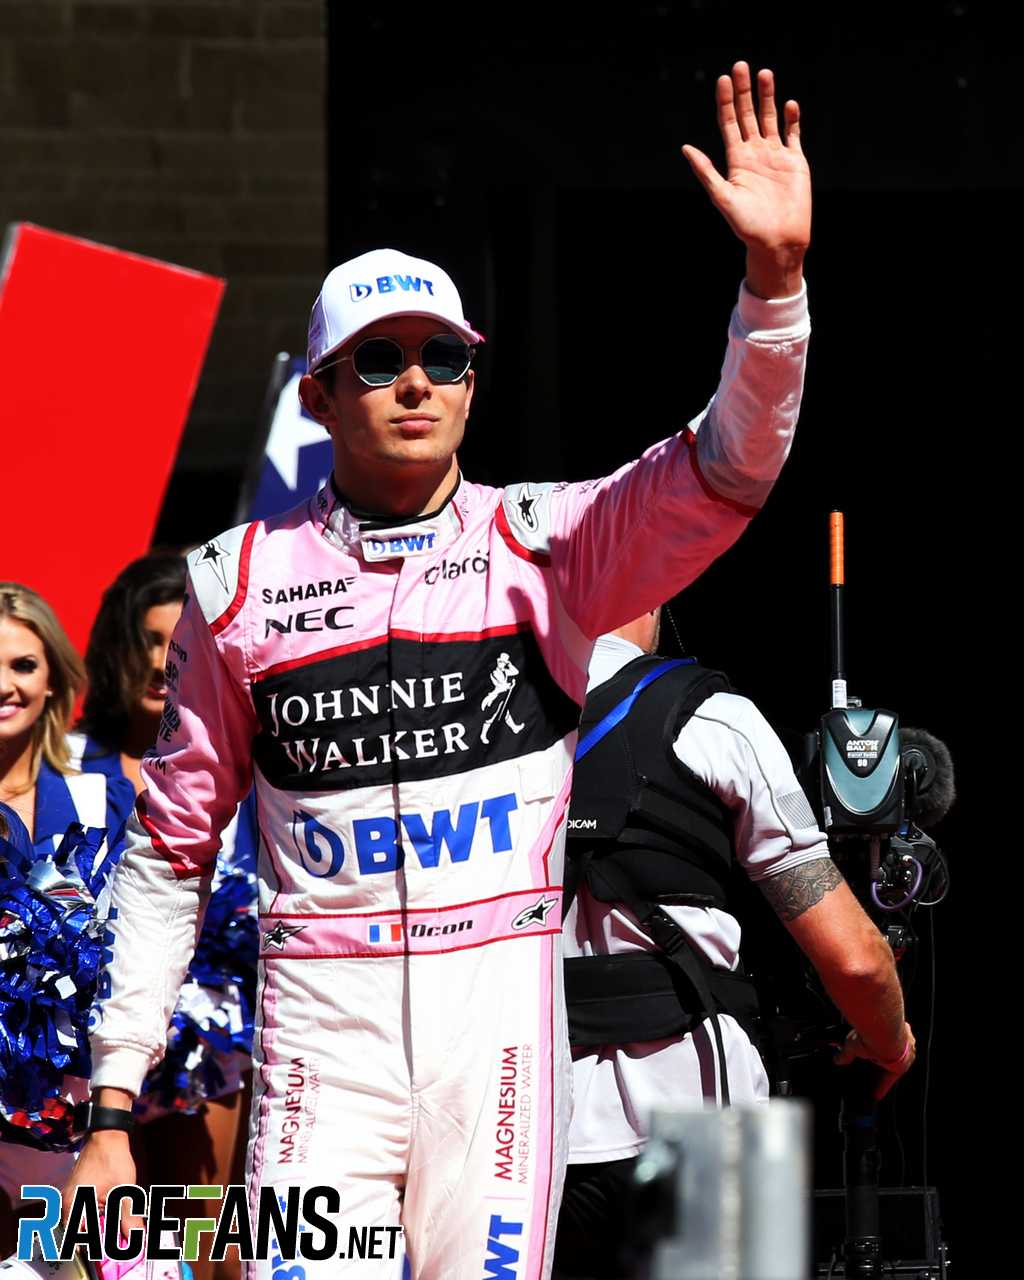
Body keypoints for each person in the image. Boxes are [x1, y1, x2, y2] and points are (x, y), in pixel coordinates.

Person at [68, 61, 813, 1280]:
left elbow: (728, 474)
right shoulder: (228, 582)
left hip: (499, 1040)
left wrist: (773, 288)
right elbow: (168, 854)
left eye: (443, 356)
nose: (415, 380)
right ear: (316, 394)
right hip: (319, 1036)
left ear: (473, 378)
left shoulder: (548, 542)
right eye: (376, 360)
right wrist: (110, 1103)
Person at [552, 607, 912, 1278]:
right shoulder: (713, 718)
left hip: (510, 1132)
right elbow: (858, 962)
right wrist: (888, 1042)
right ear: (653, 589)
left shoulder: (476, 732)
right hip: (704, 1127)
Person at [71, 553, 258, 1280]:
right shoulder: (61, 763)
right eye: (149, 641)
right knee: (92, 1246)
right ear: (116, 649)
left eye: (181, 642)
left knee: (207, 1240)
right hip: (82, 1054)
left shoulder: (251, 768)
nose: (163, 662)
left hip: (212, 1046)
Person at [0, 584, 133, 1239]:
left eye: (23, 665)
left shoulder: (100, 798)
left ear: (53, 679)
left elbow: (130, 948)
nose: (4, 685)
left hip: (71, 1117)